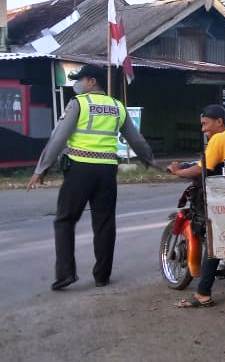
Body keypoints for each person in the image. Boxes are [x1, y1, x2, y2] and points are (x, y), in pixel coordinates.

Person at [27, 64, 155, 290]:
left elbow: (58, 138)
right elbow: (136, 140)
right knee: (105, 223)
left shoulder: (79, 104)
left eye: (81, 79)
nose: (78, 84)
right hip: (107, 171)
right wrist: (149, 160)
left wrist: (41, 169)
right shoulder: (117, 106)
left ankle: (66, 274)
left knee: (65, 220)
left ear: (92, 81)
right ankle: (102, 276)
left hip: (80, 169)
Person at [167, 104, 225, 307]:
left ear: (219, 122)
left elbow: (201, 169)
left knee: (214, 241)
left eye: (205, 124)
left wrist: (177, 172)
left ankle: (203, 294)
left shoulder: (219, 138)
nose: (203, 129)